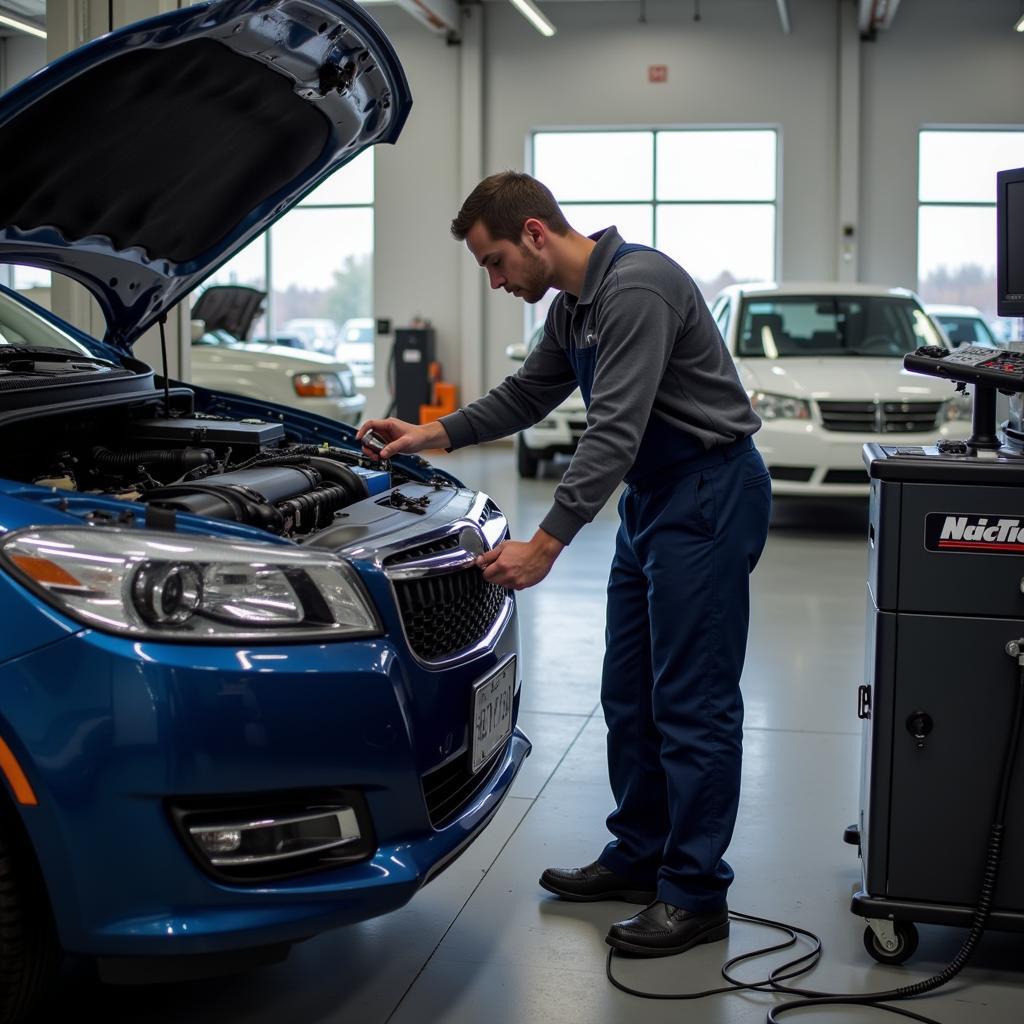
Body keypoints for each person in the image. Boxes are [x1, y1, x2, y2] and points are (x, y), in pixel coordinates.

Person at [357, 171, 771, 958]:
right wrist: (430, 434)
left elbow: (613, 429)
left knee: (693, 701)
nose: (495, 279)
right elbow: (525, 397)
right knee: (629, 693)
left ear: (537, 235)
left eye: (495, 261)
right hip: (653, 499)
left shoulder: (638, 289)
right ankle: (640, 852)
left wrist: (546, 542)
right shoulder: (571, 309)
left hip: (709, 491)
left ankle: (693, 892)